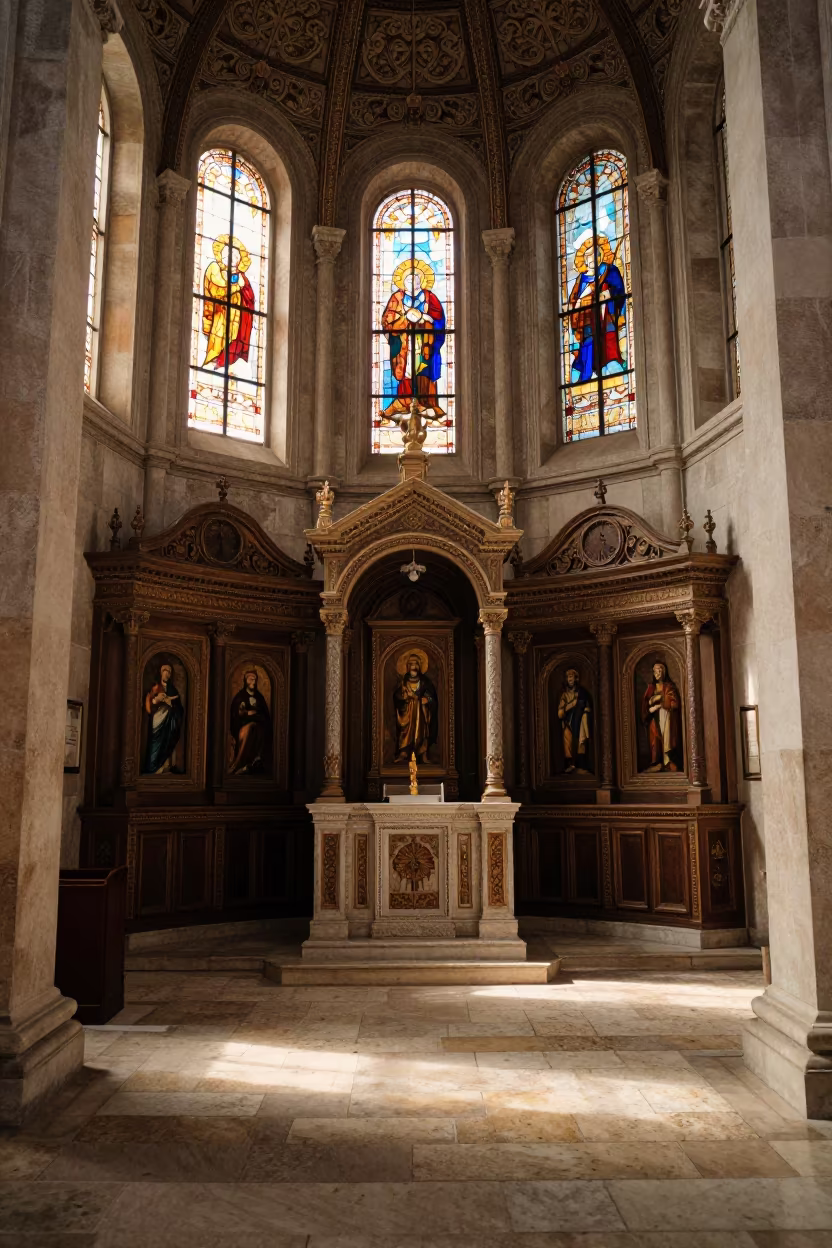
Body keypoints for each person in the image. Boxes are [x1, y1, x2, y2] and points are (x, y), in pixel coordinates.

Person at [381, 258, 446, 420]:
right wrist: (405, 318)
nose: (412, 283)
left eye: (415, 279)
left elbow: (439, 320)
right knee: (406, 371)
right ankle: (403, 402)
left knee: (424, 369)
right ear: (403, 282)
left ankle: (428, 403)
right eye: (408, 280)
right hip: (404, 343)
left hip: (424, 342)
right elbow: (387, 321)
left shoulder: (430, 298)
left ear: (420, 282)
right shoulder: (397, 298)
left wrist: (425, 317)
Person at [567, 234, 626, 383]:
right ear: (584, 260)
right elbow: (573, 301)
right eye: (588, 256)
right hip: (586, 319)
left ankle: (604, 369)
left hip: (604, 316)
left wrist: (607, 293)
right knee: (588, 342)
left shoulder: (609, 270)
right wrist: (580, 302)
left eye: (595, 254)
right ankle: (587, 372)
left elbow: (619, 290)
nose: (592, 258)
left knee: (604, 341)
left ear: (600, 255)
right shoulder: (582, 278)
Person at [201, 233, 255, 370]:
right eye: (229, 254)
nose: (232, 258)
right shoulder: (214, 269)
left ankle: (230, 363)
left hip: (237, 318)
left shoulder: (240, 276)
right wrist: (238, 286)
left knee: (233, 341)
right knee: (219, 340)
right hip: (220, 315)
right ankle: (215, 361)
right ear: (221, 255)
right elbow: (217, 292)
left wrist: (244, 288)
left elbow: (249, 297)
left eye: (236, 256)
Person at [393, 652, 438, 764]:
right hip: (407, 713)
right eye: (411, 664)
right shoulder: (403, 682)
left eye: (416, 664)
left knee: (423, 732)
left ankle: (423, 754)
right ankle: (403, 753)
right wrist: (403, 698)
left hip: (421, 713)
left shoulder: (425, 682)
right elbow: (397, 696)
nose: (414, 667)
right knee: (405, 732)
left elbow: (432, 697)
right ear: (407, 667)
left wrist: (427, 700)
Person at [641, 660, 683, 771]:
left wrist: (662, 701)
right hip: (654, 718)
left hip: (667, 716)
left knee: (667, 738)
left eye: (660, 670)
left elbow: (674, 703)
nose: (658, 673)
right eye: (655, 671)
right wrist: (651, 705)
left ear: (664, 672)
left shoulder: (669, 686)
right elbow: (645, 705)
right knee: (655, 739)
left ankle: (668, 761)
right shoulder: (651, 688)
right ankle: (657, 762)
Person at [228, 669, 272, 776]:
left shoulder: (259, 697)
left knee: (256, 728)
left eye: (255, 679)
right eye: (250, 679)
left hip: (259, 730)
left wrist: (255, 714)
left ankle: (256, 760)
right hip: (243, 728)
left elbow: (265, 716)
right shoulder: (240, 697)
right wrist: (247, 714)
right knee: (250, 727)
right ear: (245, 681)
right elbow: (235, 715)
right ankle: (238, 764)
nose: (253, 681)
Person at [143, 662, 184, 774]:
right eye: (164, 672)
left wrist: (171, 704)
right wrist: (155, 700)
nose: (166, 674)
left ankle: (166, 767)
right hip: (157, 719)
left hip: (169, 720)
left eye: (169, 672)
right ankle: (153, 767)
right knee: (156, 742)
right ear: (161, 674)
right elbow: (149, 702)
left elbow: (179, 707)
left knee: (168, 741)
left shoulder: (173, 690)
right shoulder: (156, 687)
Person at [557, 668, 592, 773]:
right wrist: (572, 704)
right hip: (568, 723)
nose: (570, 679)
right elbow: (560, 714)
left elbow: (588, 706)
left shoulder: (582, 692)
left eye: (571, 676)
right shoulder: (564, 695)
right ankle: (570, 764)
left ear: (576, 678)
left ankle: (581, 765)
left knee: (581, 742)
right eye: (568, 677)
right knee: (568, 744)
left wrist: (584, 712)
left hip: (580, 722)